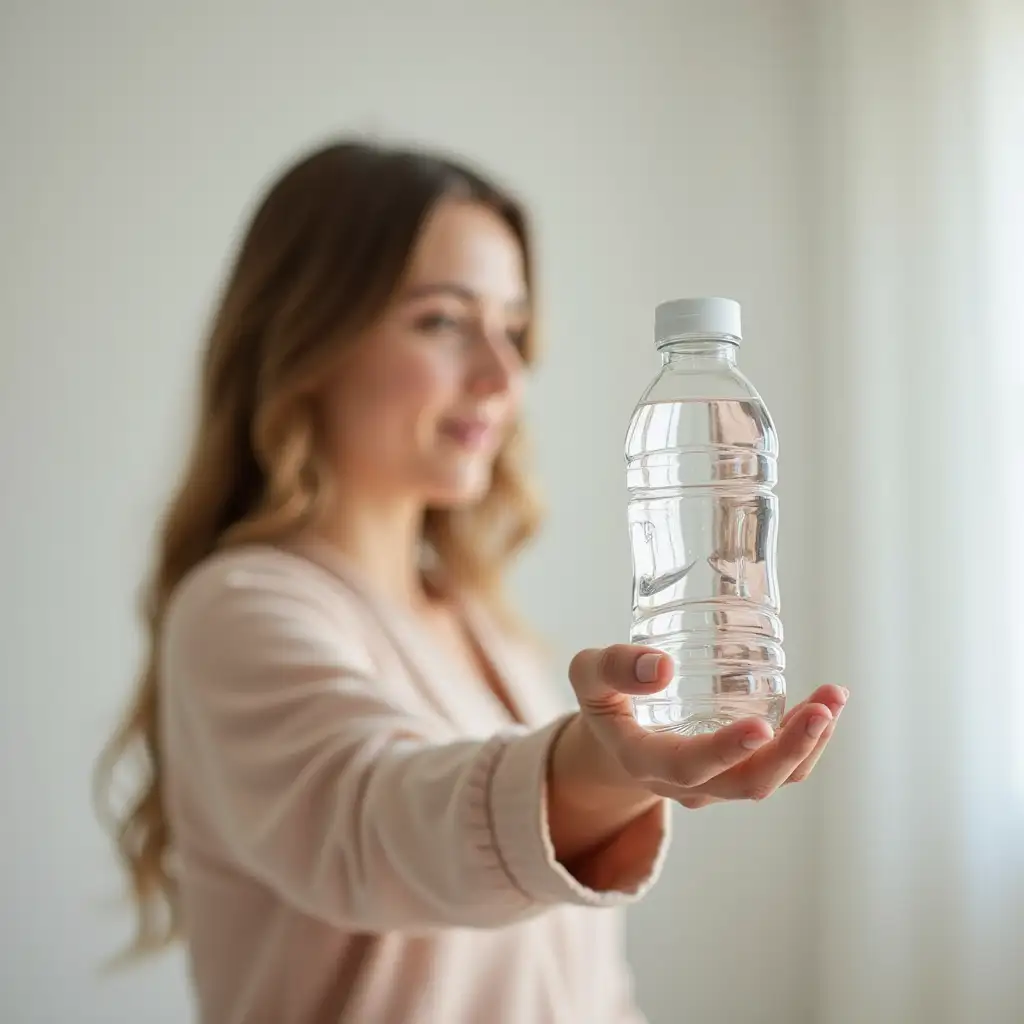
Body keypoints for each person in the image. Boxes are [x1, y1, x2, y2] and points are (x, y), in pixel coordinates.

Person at [95, 138, 846, 1024]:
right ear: (308, 338)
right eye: (443, 320)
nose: (502, 374)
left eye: (514, 327)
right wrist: (599, 768)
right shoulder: (239, 609)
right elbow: (382, 823)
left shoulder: (480, 628)